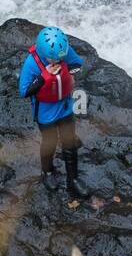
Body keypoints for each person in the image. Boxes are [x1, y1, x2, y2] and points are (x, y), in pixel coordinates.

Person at [18, 26, 90, 198]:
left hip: (65, 105)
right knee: (50, 141)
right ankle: (47, 172)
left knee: (69, 142)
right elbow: (24, 91)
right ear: (43, 53)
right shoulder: (32, 63)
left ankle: (73, 180)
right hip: (45, 110)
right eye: (53, 60)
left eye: (60, 59)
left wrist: (69, 73)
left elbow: (77, 64)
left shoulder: (62, 53)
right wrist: (44, 77)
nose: (57, 62)